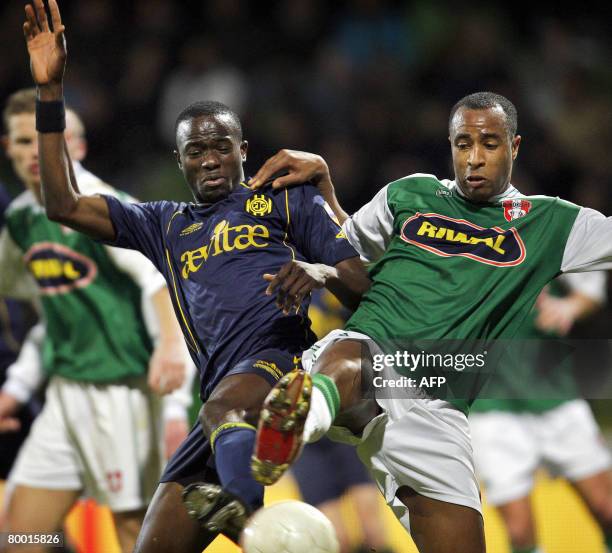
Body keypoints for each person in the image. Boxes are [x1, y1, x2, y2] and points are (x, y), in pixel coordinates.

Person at [21, 2, 370, 552]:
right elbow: (63, 204)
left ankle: (251, 519)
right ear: (179, 160)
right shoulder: (162, 224)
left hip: (279, 367)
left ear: (243, 151)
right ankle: (254, 519)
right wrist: (49, 92)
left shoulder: (285, 200)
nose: (209, 160)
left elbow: (362, 286)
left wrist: (322, 269)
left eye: (220, 147)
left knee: (223, 411)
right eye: (195, 150)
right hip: (219, 407)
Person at [248, 91, 612, 553]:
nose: (474, 158)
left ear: (514, 147)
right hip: (373, 353)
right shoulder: (410, 193)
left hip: (439, 406)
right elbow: (349, 256)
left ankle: (300, 416)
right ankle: (298, 418)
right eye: (463, 144)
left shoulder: (551, 223)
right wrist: (325, 193)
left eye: (489, 144)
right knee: (351, 356)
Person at [0, 84, 193, 553]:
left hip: (122, 397)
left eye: (42, 139)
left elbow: (159, 281)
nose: (33, 152)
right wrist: (16, 390)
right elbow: (49, 311)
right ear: (8, 148)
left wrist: (171, 362)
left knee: (136, 536)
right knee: (19, 537)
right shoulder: (23, 220)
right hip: (65, 399)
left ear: (73, 145)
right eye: (22, 141)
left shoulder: (98, 204)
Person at [470, 272, 612, 553]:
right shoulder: (449, 236)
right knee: (519, 532)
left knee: (607, 508)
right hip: (489, 407)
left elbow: (591, 290)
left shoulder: (548, 230)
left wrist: (568, 307)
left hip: (555, 396)